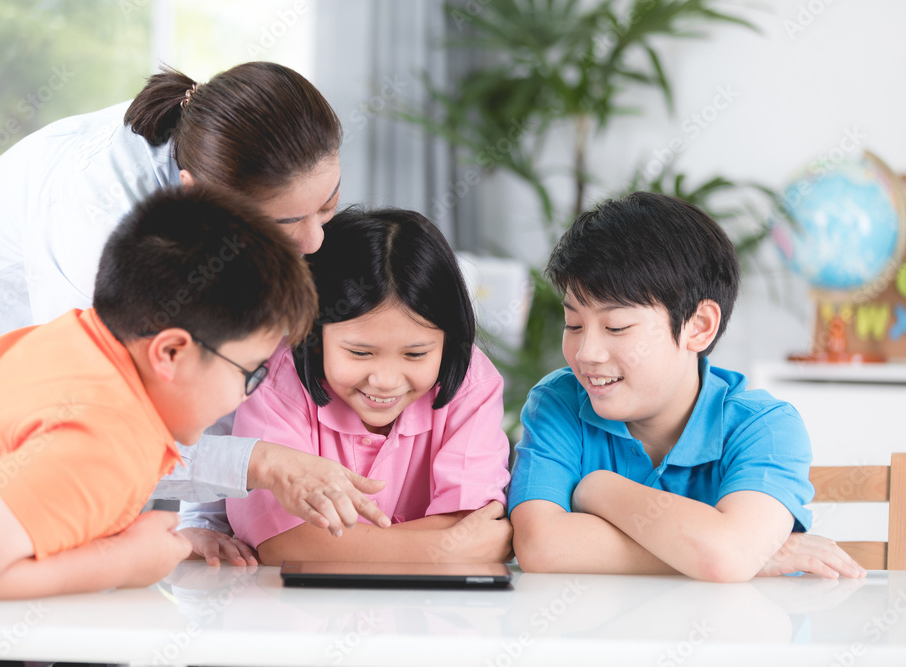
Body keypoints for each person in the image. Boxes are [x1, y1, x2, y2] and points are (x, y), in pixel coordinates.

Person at [0, 185, 389, 599]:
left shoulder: (74, 340)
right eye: (248, 373)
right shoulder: (108, 435)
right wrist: (127, 561)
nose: (245, 397)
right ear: (171, 353)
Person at [0, 61, 345, 509]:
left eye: (328, 207)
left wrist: (203, 519)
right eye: (284, 223)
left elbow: (207, 371)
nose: (315, 241)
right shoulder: (95, 221)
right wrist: (260, 465)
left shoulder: (212, 149)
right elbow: (94, 423)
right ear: (198, 193)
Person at [508, 191, 867, 582]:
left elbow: (727, 554)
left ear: (698, 327)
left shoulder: (764, 427)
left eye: (617, 327)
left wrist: (597, 488)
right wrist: (736, 556)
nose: (586, 353)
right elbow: (541, 546)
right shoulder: (559, 403)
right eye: (573, 324)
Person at [180, 207, 513, 566]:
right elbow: (281, 544)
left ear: (449, 339)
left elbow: (478, 527)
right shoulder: (278, 380)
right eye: (359, 352)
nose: (385, 381)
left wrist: (338, 546)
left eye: (415, 354)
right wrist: (441, 549)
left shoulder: (472, 382)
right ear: (314, 331)